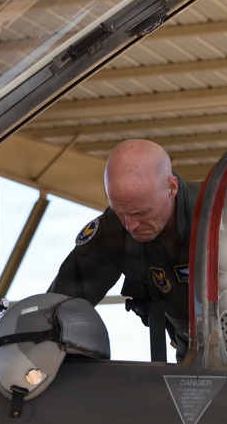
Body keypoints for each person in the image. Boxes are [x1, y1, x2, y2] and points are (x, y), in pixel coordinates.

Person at [48, 139, 198, 358]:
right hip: (191, 350)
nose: (130, 226)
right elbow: (61, 305)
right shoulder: (113, 230)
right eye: (120, 212)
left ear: (171, 187)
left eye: (141, 213)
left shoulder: (224, 215)